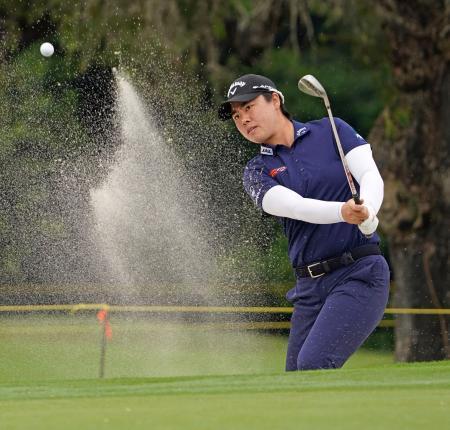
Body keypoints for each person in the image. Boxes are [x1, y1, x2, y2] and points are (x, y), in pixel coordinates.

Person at [218, 74, 390, 371]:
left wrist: (369, 211)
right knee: (296, 378)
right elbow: (293, 207)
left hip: (358, 273)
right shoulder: (257, 169)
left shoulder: (332, 130)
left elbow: (369, 175)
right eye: (236, 115)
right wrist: (343, 212)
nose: (243, 119)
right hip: (309, 288)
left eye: (248, 107)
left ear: (275, 100)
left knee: (313, 364)